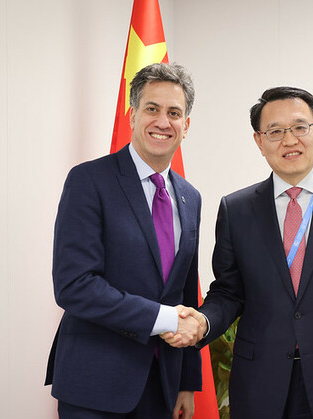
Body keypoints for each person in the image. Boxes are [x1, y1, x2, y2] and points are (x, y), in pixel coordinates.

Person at [166, 86, 313, 418]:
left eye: (300, 127)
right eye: (275, 131)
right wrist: (203, 321)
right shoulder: (237, 209)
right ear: (259, 141)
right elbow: (229, 292)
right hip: (261, 385)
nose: (289, 140)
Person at [45, 63, 206, 419]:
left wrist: (186, 383)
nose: (163, 122)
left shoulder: (190, 197)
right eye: (152, 109)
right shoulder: (89, 180)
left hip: (162, 387)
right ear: (132, 115)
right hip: (95, 385)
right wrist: (162, 318)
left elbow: (184, 295)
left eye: (174, 113)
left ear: (186, 125)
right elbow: (74, 285)